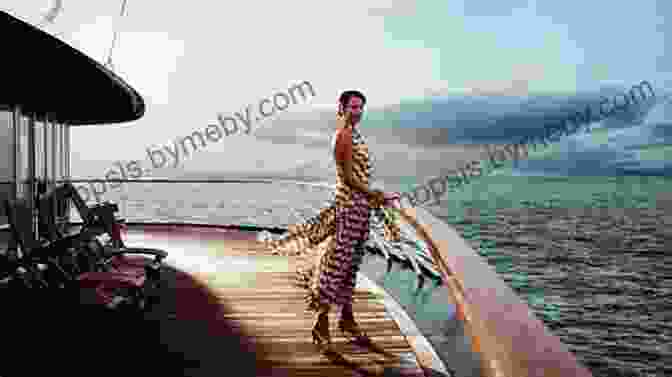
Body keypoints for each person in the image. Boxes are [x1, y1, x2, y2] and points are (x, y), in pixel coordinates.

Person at [264, 90, 403, 356]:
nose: (358, 111)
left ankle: (347, 319)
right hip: (349, 209)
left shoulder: (355, 133)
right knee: (335, 267)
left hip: (361, 211)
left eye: (361, 107)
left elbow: (358, 176)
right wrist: (379, 195)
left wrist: (372, 198)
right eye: (353, 106)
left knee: (351, 267)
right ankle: (321, 323)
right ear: (341, 107)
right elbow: (348, 178)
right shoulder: (343, 136)